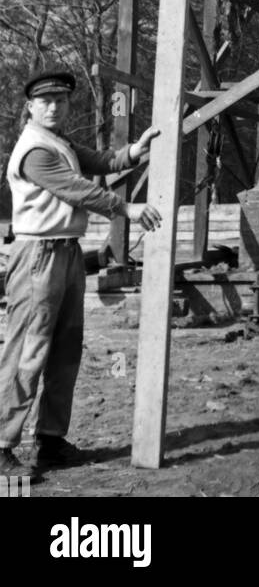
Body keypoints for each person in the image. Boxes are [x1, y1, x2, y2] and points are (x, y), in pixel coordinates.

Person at [0, 64, 161, 478]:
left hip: (66, 254)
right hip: (38, 255)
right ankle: (2, 445)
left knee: (66, 349)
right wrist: (126, 208)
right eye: (45, 101)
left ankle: (50, 441)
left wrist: (132, 153)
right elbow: (77, 188)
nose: (53, 107)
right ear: (30, 107)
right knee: (27, 353)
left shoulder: (57, 141)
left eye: (60, 100)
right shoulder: (34, 150)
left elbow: (93, 161)